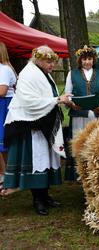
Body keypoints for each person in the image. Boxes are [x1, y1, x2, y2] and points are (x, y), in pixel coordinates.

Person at [2, 45, 74, 216]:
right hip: (30, 124)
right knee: (37, 162)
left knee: (46, 160)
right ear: (39, 59)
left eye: (52, 62)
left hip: (43, 122)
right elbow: (29, 101)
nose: (52, 65)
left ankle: (45, 196)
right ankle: (38, 200)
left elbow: (45, 94)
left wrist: (60, 100)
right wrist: (57, 99)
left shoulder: (42, 72)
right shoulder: (29, 73)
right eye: (49, 62)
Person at [64, 45, 99, 180]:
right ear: (80, 60)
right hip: (79, 116)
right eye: (84, 59)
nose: (87, 62)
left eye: (89, 59)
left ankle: (97, 172)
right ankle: (80, 174)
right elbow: (68, 94)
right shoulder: (72, 74)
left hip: (96, 116)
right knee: (80, 144)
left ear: (93, 60)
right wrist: (72, 103)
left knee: (96, 144)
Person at [0, 42, 17, 192]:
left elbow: (2, 91)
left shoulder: (4, 69)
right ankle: (4, 174)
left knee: (3, 142)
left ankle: (8, 176)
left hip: (4, 105)